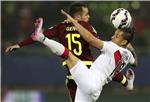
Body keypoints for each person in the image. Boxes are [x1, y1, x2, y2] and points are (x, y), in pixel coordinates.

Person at [5, 2, 136, 102]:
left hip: (81, 76)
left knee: (68, 55)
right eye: (87, 14)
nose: (113, 36)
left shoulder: (61, 27)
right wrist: (128, 46)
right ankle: (127, 83)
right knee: (106, 67)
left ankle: (41, 38)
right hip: (91, 77)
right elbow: (132, 61)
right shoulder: (126, 54)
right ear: (79, 16)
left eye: (116, 35)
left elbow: (93, 41)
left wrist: (20, 44)